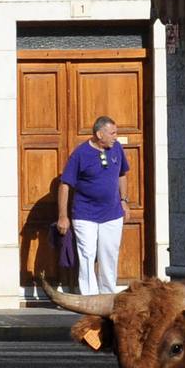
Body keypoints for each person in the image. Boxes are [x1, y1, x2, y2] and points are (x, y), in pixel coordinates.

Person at [55, 115, 130, 296]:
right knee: (87, 255)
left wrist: (124, 201)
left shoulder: (117, 149)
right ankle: (89, 297)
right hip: (85, 214)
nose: (116, 136)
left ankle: (108, 296)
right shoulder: (80, 154)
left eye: (116, 133)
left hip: (112, 213)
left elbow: (122, 174)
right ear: (99, 134)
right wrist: (63, 216)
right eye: (112, 133)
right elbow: (65, 185)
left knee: (109, 256)